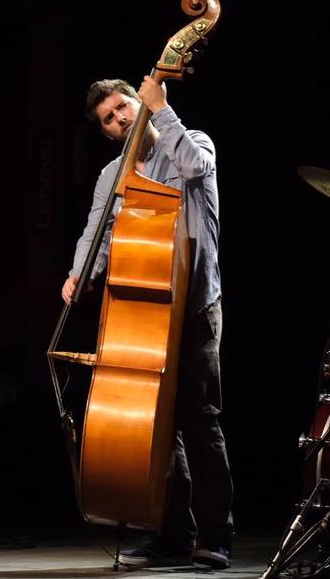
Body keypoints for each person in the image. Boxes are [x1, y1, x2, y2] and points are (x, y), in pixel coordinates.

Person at [62, 77, 234, 569]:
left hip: (197, 304)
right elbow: (97, 229)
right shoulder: (111, 175)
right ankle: (174, 535)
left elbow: (197, 168)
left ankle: (218, 535)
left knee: (200, 421)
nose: (119, 119)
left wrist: (162, 110)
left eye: (123, 107)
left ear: (140, 101)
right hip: (144, 309)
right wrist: (78, 274)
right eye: (109, 119)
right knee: (158, 424)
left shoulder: (193, 142)